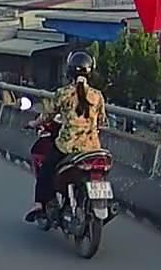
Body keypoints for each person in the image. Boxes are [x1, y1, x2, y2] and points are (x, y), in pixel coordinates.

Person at [26, 50, 108, 222]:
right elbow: (102, 122)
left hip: (67, 146)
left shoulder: (63, 93)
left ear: (69, 71)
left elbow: (47, 116)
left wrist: (33, 123)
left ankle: (39, 204)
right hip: (92, 148)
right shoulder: (97, 96)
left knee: (46, 170)